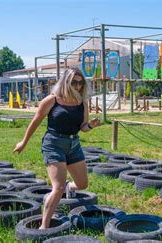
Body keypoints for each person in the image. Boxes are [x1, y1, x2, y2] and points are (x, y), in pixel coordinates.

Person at [13, 67, 100, 229]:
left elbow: (83, 127)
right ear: (66, 82)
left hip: (74, 145)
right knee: (58, 188)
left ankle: (69, 187)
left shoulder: (82, 103)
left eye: (81, 83)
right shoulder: (52, 100)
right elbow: (36, 121)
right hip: (53, 144)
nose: (78, 86)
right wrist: (23, 142)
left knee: (82, 185)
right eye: (74, 82)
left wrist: (91, 126)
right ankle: (43, 228)